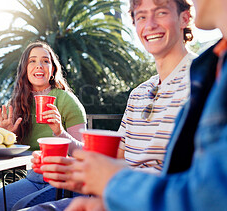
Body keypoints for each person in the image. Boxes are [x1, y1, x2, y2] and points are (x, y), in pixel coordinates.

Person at [49, 0, 227, 210]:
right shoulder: (138, 93)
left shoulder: (204, 81)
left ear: (185, 17)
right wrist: (73, 165)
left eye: (160, 13)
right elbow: (117, 156)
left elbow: (202, 188)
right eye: (141, 16)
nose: (149, 24)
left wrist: (113, 184)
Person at [0, 41, 87, 211]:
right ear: (25, 69)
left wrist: (59, 131)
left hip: (67, 181)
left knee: (21, 207)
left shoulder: (67, 100)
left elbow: (84, 153)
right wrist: (6, 138)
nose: (39, 66)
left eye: (45, 61)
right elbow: (11, 156)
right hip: (34, 179)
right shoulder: (17, 103)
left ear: (53, 69)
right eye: (32, 61)